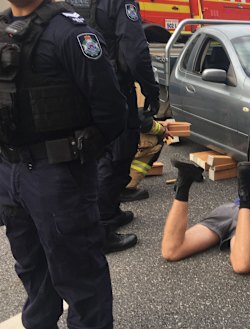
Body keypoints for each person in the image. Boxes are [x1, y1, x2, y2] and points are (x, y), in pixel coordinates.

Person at [0, 0, 127, 327]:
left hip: (58, 174)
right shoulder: (2, 30)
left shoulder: (71, 33)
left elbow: (112, 110)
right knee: (31, 266)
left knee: (79, 272)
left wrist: (79, 154)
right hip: (10, 170)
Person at [66, 0, 161, 252]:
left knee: (94, 151)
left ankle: (109, 210)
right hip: (112, 85)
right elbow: (135, 51)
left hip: (78, 86)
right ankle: (102, 226)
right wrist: (151, 89)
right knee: (118, 151)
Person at [161, 159, 250, 274]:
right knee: (242, 265)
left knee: (171, 251)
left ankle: (183, 185)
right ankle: (245, 196)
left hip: (226, 209)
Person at [120, 108, 173, 202]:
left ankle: (108, 184)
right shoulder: (137, 99)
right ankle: (126, 188)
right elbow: (145, 124)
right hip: (123, 141)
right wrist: (163, 131)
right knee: (154, 141)